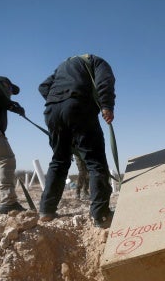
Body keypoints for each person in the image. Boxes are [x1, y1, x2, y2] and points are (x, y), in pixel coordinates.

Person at [38, 54, 115, 228]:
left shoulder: (62, 66)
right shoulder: (98, 62)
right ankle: (101, 215)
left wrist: (58, 101)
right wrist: (106, 106)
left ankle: (46, 210)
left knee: (59, 160)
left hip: (51, 111)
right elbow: (105, 81)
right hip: (78, 106)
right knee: (95, 162)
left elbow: (43, 87)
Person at [0, 76, 26, 214]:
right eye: (10, 89)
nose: (11, 93)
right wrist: (13, 106)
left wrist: (11, 105)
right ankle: (8, 202)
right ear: (4, 85)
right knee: (6, 160)